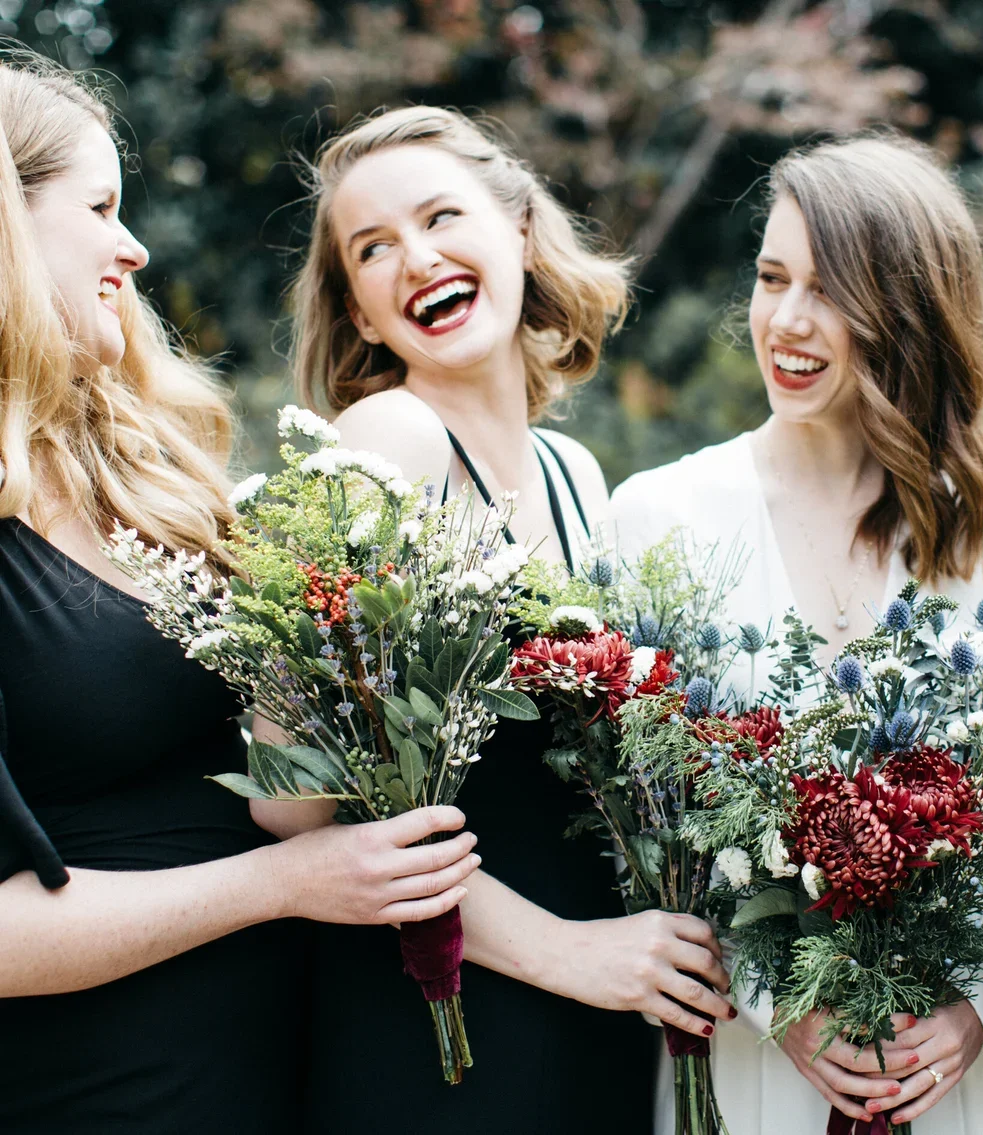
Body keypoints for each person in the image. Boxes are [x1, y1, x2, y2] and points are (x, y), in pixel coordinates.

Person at [0, 54, 481, 1135]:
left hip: (294, 1069)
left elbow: (275, 776)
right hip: (99, 1095)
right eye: (101, 207)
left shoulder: (143, 466)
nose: (135, 247)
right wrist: (284, 883)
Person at [265, 105, 733, 1132]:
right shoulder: (387, 441)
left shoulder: (578, 473)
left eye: (441, 217)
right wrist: (568, 952)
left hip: (596, 1014)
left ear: (519, 228)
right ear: (357, 313)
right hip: (442, 1022)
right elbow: (298, 801)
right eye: (373, 249)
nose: (415, 259)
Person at [612, 133, 983, 1135]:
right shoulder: (659, 515)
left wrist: (976, 1010)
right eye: (772, 278)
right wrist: (778, 1001)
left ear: (908, 308)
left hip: (959, 1077)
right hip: (755, 1065)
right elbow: (650, 826)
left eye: (830, 289)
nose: (787, 321)